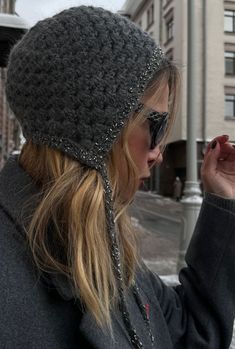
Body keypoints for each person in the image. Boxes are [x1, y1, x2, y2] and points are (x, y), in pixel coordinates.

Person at [1, 6, 235, 349]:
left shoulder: (101, 241)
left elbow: (190, 333)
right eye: (155, 126)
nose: (158, 152)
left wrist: (222, 200)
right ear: (95, 124)